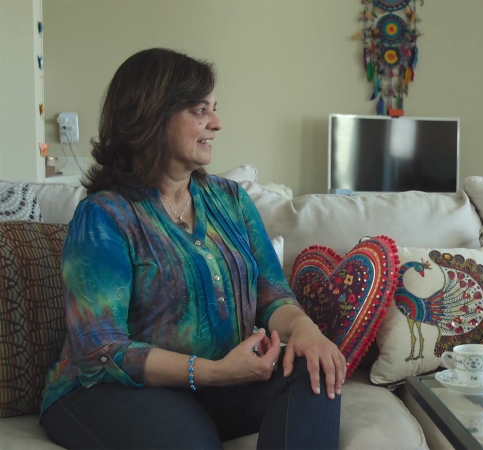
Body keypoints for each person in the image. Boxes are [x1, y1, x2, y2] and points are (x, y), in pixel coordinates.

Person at [40, 48, 344, 450]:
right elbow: (101, 352)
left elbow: (273, 297)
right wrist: (216, 372)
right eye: (200, 111)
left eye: (214, 109)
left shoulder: (231, 200)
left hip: (219, 383)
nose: (217, 123)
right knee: (189, 441)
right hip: (110, 390)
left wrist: (306, 330)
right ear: (152, 117)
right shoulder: (104, 216)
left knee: (315, 371)